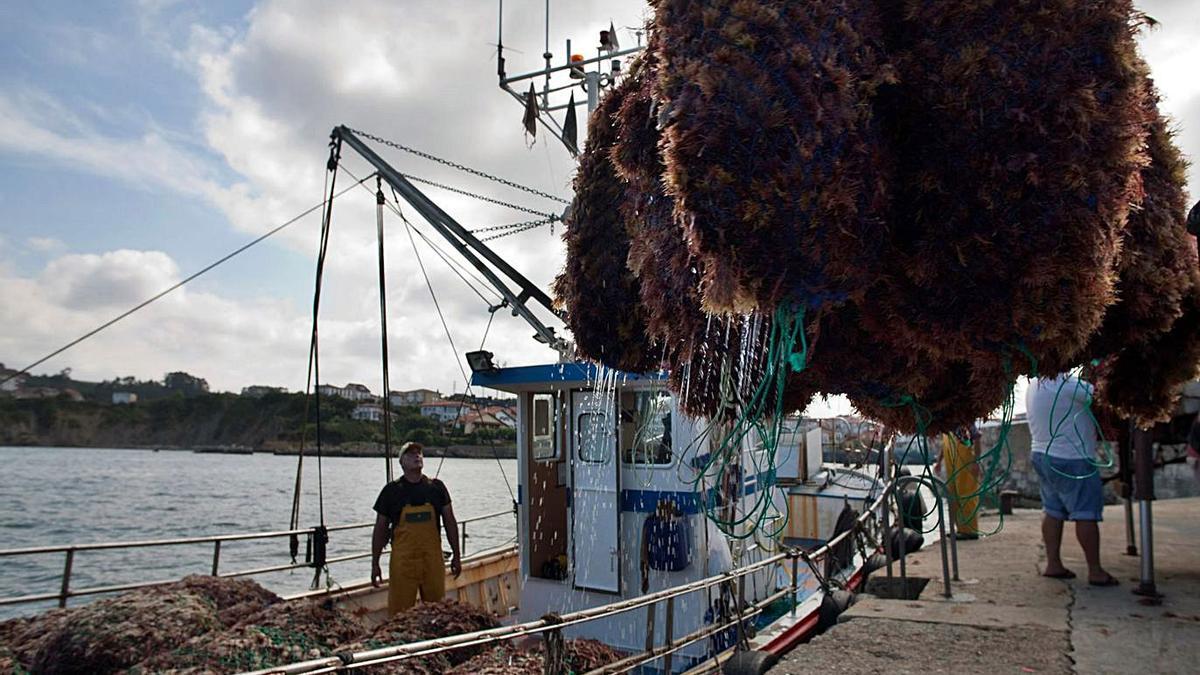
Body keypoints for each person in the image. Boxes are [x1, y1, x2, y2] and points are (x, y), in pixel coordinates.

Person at [1025, 373, 1117, 586]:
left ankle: (1053, 564)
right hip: (1072, 458)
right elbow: (1105, 396)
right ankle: (1095, 571)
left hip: (1041, 455)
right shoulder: (1069, 386)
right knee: (1086, 513)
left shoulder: (1034, 385)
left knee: (1052, 510)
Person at [371, 442, 462, 615]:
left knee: (437, 612)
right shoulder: (391, 491)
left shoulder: (437, 488)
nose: (417, 456)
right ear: (402, 462)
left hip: (432, 561)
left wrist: (456, 555)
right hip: (403, 563)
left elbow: (450, 522)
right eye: (411, 453)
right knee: (400, 614)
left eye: (419, 453)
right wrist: (375, 563)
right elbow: (380, 529)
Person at [939, 424, 982, 539]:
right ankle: (959, 529)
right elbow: (944, 445)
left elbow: (976, 437)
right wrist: (939, 461)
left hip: (966, 463)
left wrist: (976, 461)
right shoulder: (946, 425)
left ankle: (970, 530)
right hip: (952, 464)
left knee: (967, 495)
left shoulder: (965, 422)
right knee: (953, 497)